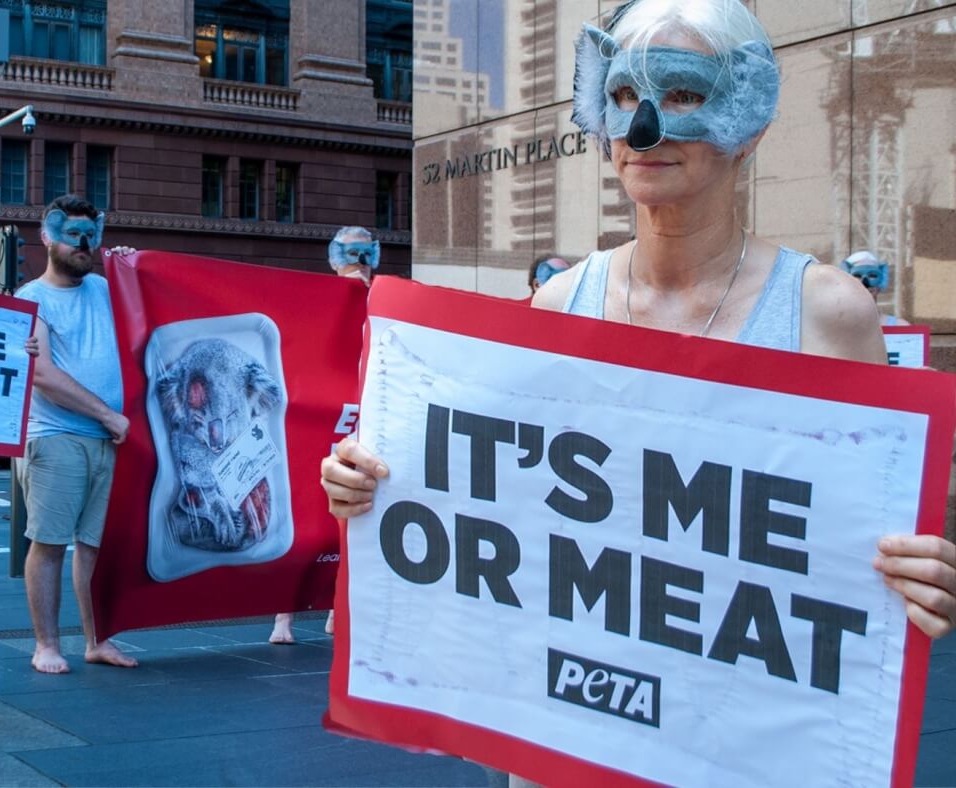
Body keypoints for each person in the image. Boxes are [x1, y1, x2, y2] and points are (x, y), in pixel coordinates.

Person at [320, 0, 956, 779]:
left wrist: (911, 579)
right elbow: (489, 500)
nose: (643, 127)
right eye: (622, 97)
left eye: (684, 95)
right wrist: (370, 483)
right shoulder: (556, 307)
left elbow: (849, 546)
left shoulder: (826, 316)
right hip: (566, 747)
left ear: (749, 117)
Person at [17, 194, 138, 674]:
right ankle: (46, 644)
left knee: (95, 546)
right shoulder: (31, 298)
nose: (83, 245)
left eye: (91, 235)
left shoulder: (107, 291)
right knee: (47, 543)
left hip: (107, 440)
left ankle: (96, 639)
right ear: (47, 237)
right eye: (72, 235)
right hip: (56, 435)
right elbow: (41, 374)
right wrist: (107, 416)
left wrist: (133, 269)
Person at [268, 226, 378, 645]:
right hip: (319, 419)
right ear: (335, 260)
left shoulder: (383, 297)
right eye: (351, 254)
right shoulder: (315, 299)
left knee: (353, 514)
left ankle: (338, 607)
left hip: (362, 417)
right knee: (304, 516)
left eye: (366, 254)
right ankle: (283, 616)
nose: (360, 263)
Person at [843, 250, 909, 326]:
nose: (865, 283)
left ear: (882, 281)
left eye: (872, 276)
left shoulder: (899, 327)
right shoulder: (834, 329)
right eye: (857, 276)